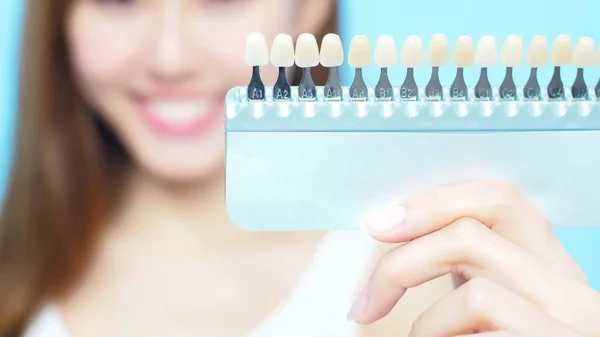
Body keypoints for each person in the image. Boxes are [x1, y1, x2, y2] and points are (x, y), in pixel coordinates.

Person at [0, 0, 599, 336]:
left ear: (309, 9)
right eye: (117, 0)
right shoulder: (14, 275)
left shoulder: (413, 288)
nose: (169, 57)